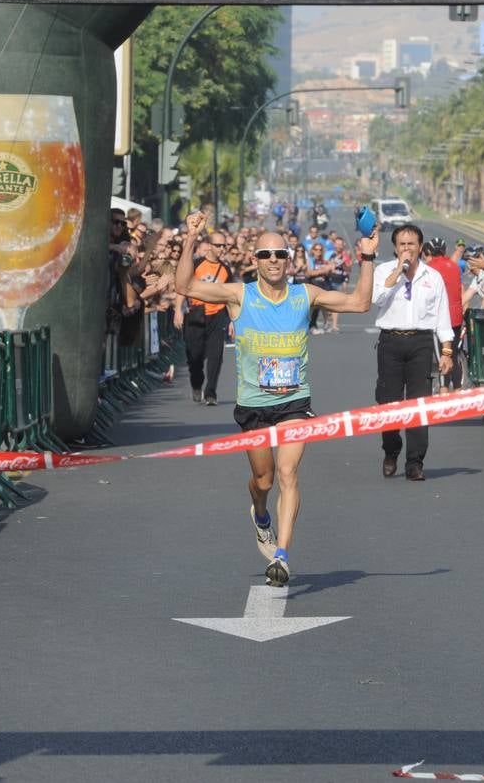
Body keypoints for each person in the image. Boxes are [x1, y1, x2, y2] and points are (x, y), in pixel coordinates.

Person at [174, 210, 379, 586]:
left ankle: (282, 555)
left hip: (294, 403)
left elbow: (360, 304)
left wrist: (366, 258)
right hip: (253, 406)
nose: (273, 261)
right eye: (265, 255)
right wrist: (190, 238)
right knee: (263, 481)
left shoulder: (306, 295)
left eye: (280, 255)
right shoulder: (239, 295)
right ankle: (259, 513)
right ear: (254, 261)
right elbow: (185, 286)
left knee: (288, 473)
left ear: (289, 259)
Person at [373, 224, 454, 482]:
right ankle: (391, 450)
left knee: (419, 405)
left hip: (420, 343)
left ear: (421, 247)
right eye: (402, 244)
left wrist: (447, 351)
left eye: (411, 244)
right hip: (390, 342)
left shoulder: (433, 277)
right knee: (389, 403)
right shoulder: (384, 270)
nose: (407, 248)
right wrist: (399, 270)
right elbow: (377, 299)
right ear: (395, 248)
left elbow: (442, 317)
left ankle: (415, 462)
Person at [174, 229, 232, 406]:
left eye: (225, 245)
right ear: (208, 246)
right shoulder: (197, 264)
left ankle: (211, 393)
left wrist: (232, 321)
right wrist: (178, 309)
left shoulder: (225, 269)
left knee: (216, 356)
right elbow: (182, 287)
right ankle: (197, 384)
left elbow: (230, 296)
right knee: (195, 356)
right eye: (219, 245)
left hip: (218, 316)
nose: (222, 248)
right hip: (196, 314)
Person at [423, 236, 465, 390]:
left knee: (441, 356)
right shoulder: (454, 266)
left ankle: (443, 390)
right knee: (453, 354)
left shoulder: (430, 268)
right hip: (456, 316)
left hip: (440, 318)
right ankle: (458, 390)